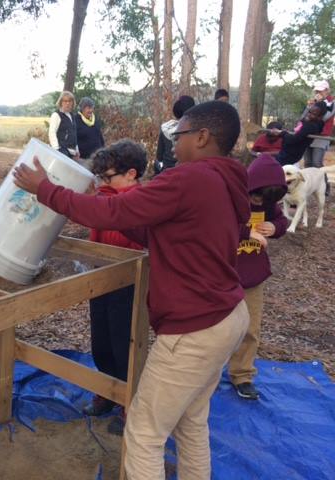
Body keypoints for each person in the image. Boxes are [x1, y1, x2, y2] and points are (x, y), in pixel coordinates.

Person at [13, 100, 251, 479]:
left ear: (203, 137)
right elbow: (165, 231)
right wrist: (120, 209)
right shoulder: (227, 180)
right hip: (228, 316)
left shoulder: (188, 178)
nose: (172, 142)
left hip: (195, 327)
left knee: (144, 432)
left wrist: (45, 190)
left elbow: (113, 215)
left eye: (180, 133)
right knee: (190, 423)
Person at [81, 141, 146, 437]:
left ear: (131, 173)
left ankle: (128, 400)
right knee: (101, 341)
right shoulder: (104, 195)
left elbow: (134, 241)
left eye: (107, 177)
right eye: (100, 177)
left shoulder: (140, 200)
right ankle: (106, 390)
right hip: (102, 277)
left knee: (124, 344)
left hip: (128, 283)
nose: (102, 182)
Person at [230, 154, 288, 400]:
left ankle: (242, 375)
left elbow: (281, 220)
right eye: (256, 195)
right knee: (214, 328)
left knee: (250, 328)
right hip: (224, 273)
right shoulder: (233, 197)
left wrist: (275, 227)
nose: (258, 201)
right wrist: (248, 232)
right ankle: (204, 372)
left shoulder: (268, 204)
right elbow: (218, 224)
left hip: (253, 277)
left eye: (264, 200)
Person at [271, 101, 327, 166]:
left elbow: (294, 139)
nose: (309, 115)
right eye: (309, 112)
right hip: (291, 153)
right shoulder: (310, 123)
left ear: (320, 117)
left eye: (313, 114)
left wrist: (282, 133)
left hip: (290, 154)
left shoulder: (310, 126)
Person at [154, 95, 195, 174]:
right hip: (188, 173)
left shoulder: (165, 127)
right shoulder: (197, 129)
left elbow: (159, 156)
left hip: (166, 172)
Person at [303, 80, 335, 169]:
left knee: (316, 163)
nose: (318, 93)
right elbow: (303, 117)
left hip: (322, 136)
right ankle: (309, 182)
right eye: (316, 91)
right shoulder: (314, 102)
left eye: (320, 91)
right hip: (309, 133)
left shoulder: (332, 102)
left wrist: (319, 104)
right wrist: (309, 106)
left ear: (327, 90)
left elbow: (325, 118)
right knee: (307, 163)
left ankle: (322, 182)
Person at [48, 91, 79, 160]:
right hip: (61, 151)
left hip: (72, 152)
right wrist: (56, 150)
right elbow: (51, 133)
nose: (67, 103)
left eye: (70, 101)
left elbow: (74, 133)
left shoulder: (72, 115)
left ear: (72, 103)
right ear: (61, 102)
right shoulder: (56, 115)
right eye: (65, 101)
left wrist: (77, 150)